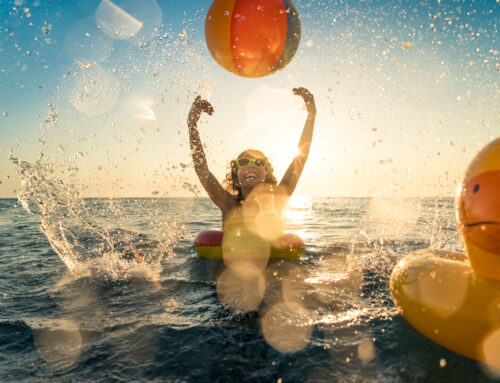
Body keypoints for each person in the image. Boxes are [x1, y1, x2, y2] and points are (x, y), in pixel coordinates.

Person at [187, 87, 316, 231]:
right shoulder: (228, 203)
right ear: (235, 173)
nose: (251, 165)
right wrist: (191, 124)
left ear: (267, 173)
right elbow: (201, 170)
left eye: (259, 162)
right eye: (243, 162)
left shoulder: (277, 200)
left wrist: (311, 115)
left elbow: (301, 158)